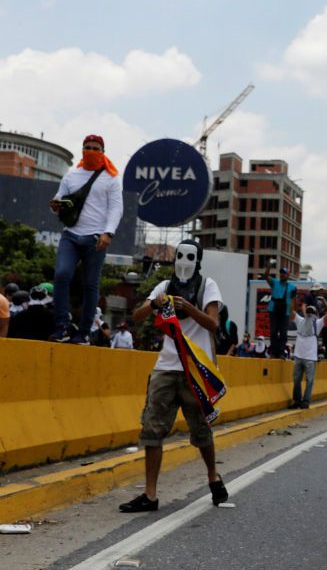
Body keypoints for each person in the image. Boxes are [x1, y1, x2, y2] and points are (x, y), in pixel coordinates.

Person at [119, 240, 227, 513]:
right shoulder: (164, 287)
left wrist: (189, 308)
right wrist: (155, 304)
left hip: (195, 370)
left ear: (198, 259)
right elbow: (137, 315)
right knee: (152, 429)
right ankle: (150, 494)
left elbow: (213, 323)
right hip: (166, 366)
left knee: (201, 431)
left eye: (190, 256)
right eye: (180, 255)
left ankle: (213, 476)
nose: (184, 260)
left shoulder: (207, 286)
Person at [48, 134, 123, 344]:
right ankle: (62, 325)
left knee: (90, 284)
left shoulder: (111, 179)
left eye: (95, 148)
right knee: (62, 274)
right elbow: (59, 198)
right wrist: (56, 204)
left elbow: (116, 209)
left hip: (96, 238)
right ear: (82, 150)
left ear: (102, 152)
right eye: (87, 147)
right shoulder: (71, 176)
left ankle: (83, 333)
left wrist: (108, 233)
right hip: (71, 235)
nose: (90, 151)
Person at [291, 303, 324, 409]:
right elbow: (291, 311)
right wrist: (291, 299)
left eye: (311, 313)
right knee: (296, 380)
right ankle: (297, 400)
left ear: (315, 315)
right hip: (298, 356)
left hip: (310, 358)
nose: (309, 315)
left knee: (309, 380)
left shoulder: (318, 323)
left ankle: (305, 401)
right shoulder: (300, 321)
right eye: (308, 312)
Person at [263, 261, 296, 359]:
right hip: (273, 310)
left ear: (288, 275)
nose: (282, 275)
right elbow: (266, 276)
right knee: (273, 332)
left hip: (285, 312)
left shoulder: (292, 287)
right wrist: (269, 266)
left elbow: (293, 301)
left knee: (283, 333)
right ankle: (274, 352)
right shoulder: (274, 282)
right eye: (281, 273)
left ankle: (281, 352)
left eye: (284, 273)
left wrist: (292, 312)